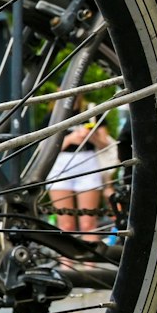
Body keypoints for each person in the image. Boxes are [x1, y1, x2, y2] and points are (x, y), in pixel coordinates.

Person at [49, 101, 114, 239]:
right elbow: (45, 149)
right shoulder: (53, 115)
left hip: (88, 162)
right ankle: (65, 260)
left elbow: (105, 144)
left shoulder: (91, 111)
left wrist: (91, 137)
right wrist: (70, 139)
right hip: (61, 164)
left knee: (88, 224)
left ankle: (89, 260)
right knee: (66, 225)